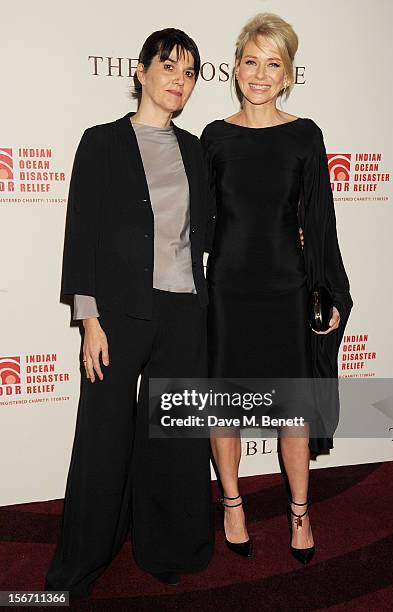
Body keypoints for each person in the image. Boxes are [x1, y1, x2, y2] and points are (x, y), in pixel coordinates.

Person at [45, 28, 215, 599]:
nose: (180, 81)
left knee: (173, 436)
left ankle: (165, 546)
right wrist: (90, 321)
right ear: (140, 72)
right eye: (169, 67)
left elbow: (216, 227)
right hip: (118, 315)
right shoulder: (101, 142)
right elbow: (82, 236)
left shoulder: (196, 149)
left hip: (184, 311)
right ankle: (84, 559)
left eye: (190, 73)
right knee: (103, 437)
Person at [201, 12, 352, 564]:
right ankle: (233, 504)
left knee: (292, 410)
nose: (260, 74)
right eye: (250, 61)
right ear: (236, 67)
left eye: (273, 64)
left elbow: (321, 219)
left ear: (288, 73)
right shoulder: (213, 137)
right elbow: (199, 220)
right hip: (227, 290)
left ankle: (299, 513)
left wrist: (330, 289)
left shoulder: (305, 135)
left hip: (287, 286)